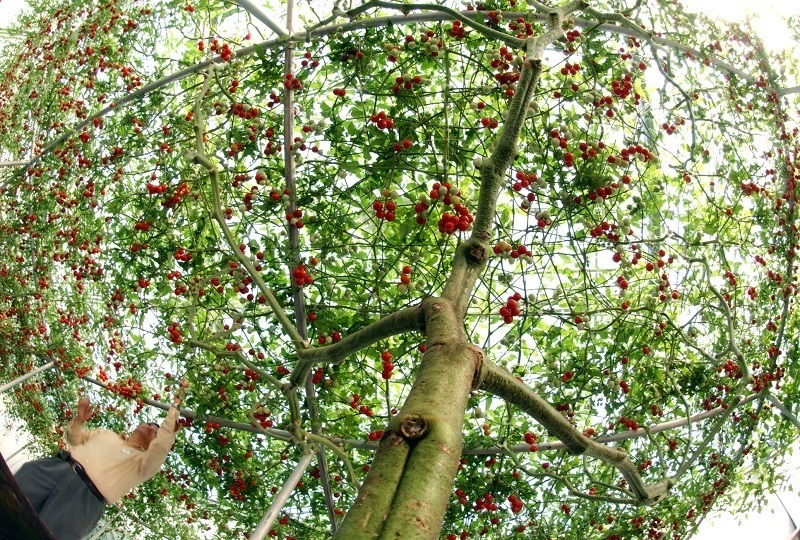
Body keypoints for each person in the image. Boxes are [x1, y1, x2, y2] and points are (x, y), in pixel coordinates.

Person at [14, 379, 189, 539]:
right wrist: (79, 421)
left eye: (155, 432)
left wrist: (176, 404)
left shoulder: (142, 464)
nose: (151, 429)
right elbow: (75, 440)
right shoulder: (107, 434)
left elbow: (163, 444)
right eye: (149, 424)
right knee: (11, 496)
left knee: (43, 535)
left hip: (84, 499)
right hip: (58, 467)